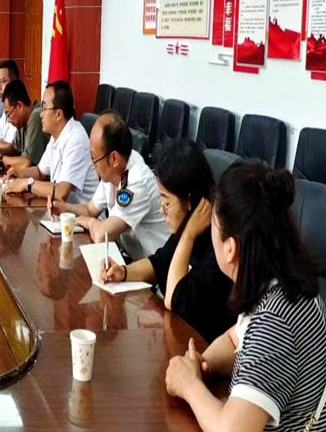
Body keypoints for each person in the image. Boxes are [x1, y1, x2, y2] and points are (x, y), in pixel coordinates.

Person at [164, 161, 326, 432]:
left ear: (230, 248)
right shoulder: (277, 281)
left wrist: (190, 387)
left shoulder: (276, 321)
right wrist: (205, 363)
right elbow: (235, 339)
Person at [98, 139, 232, 342]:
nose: (162, 211)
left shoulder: (216, 244)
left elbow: (175, 299)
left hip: (202, 345)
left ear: (188, 201)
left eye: (166, 202)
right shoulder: (188, 225)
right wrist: (123, 272)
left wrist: (187, 237)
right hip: (179, 335)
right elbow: (159, 263)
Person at [53, 111, 170, 258]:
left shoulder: (138, 183)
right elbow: (90, 209)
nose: (92, 164)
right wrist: (64, 207)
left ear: (114, 159)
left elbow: (103, 235)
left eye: (94, 157)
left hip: (153, 266)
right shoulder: (114, 170)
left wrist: (87, 222)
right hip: (127, 257)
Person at [3, 80, 98, 204]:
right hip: (60, 210)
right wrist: (18, 173)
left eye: (44, 109)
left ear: (58, 114)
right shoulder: (56, 136)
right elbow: (40, 172)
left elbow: (61, 192)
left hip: (79, 213)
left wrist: (27, 184)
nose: (41, 115)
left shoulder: (76, 139)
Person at [0, 80, 47, 170]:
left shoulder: (36, 117)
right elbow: (13, 149)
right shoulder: (22, 121)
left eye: (8, 114)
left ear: (19, 106)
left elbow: (26, 163)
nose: (8, 120)